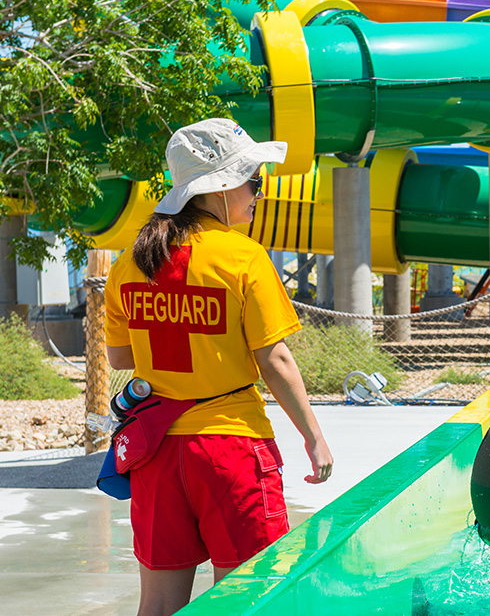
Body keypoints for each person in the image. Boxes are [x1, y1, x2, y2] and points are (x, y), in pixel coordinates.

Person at [105, 118, 334, 616]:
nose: (258, 193)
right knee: (245, 600)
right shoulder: (242, 258)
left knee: (157, 605)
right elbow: (274, 359)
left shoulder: (131, 262)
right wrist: (313, 437)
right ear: (221, 187)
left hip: (156, 453)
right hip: (230, 448)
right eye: (254, 180)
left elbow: (121, 359)